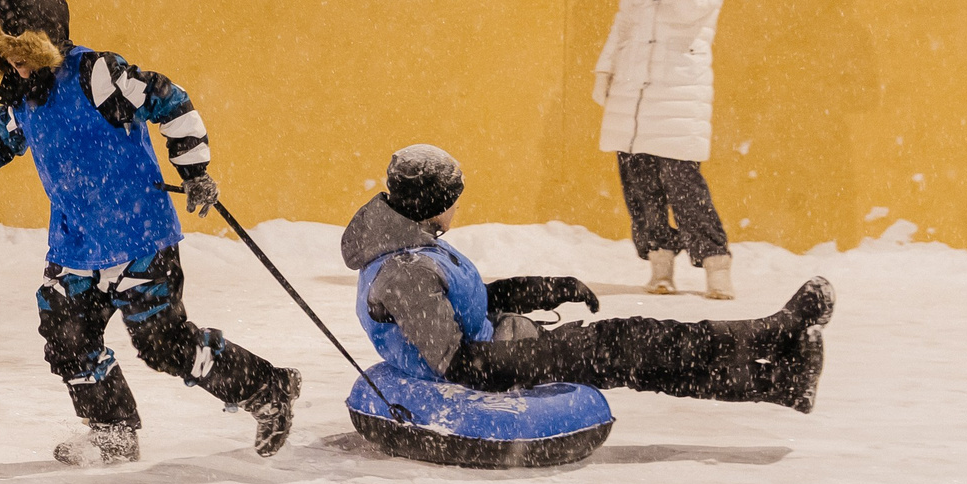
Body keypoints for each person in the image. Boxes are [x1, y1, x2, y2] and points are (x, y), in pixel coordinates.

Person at [0, 0, 300, 466]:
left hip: (138, 237)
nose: (12, 62)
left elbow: (173, 102)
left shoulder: (95, 74)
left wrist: (195, 170)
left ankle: (267, 388)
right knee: (66, 335)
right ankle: (112, 430)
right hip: (75, 245)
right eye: (3, 53)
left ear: (44, 39)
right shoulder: (23, 98)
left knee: (164, 346)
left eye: (19, 49)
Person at [343, 144, 829, 408]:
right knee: (629, 344)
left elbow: (464, 307)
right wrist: (547, 353)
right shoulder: (405, 270)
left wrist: (545, 290)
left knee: (639, 355)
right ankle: (770, 335)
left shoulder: (411, 249)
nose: (456, 207)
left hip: (502, 348)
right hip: (489, 369)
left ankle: (778, 382)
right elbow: (456, 363)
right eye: (454, 197)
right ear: (435, 203)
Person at [593, 0, 737, 298]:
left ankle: (716, 266)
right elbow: (625, 21)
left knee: (683, 184)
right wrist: (605, 68)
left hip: (678, 89)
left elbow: (690, 9)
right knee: (639, 187)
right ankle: (659, 264)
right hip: (632, 89)